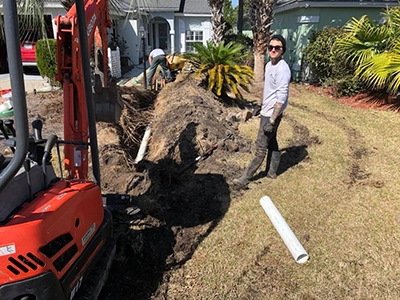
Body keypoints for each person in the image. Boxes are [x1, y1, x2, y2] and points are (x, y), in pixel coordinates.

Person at [233, 34, 291, 189]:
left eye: (277, 48)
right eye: (271, 47)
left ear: (282, 50)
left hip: (272, 114)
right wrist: (260, 105)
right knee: (272, 141)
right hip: (266, 110)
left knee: (261, 147)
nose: (273, 50)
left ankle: (245, 178)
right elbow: (269, 90)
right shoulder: (269, 65)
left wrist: (272, 120)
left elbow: (281, 97)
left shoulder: (282, 69)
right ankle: (271, 172)